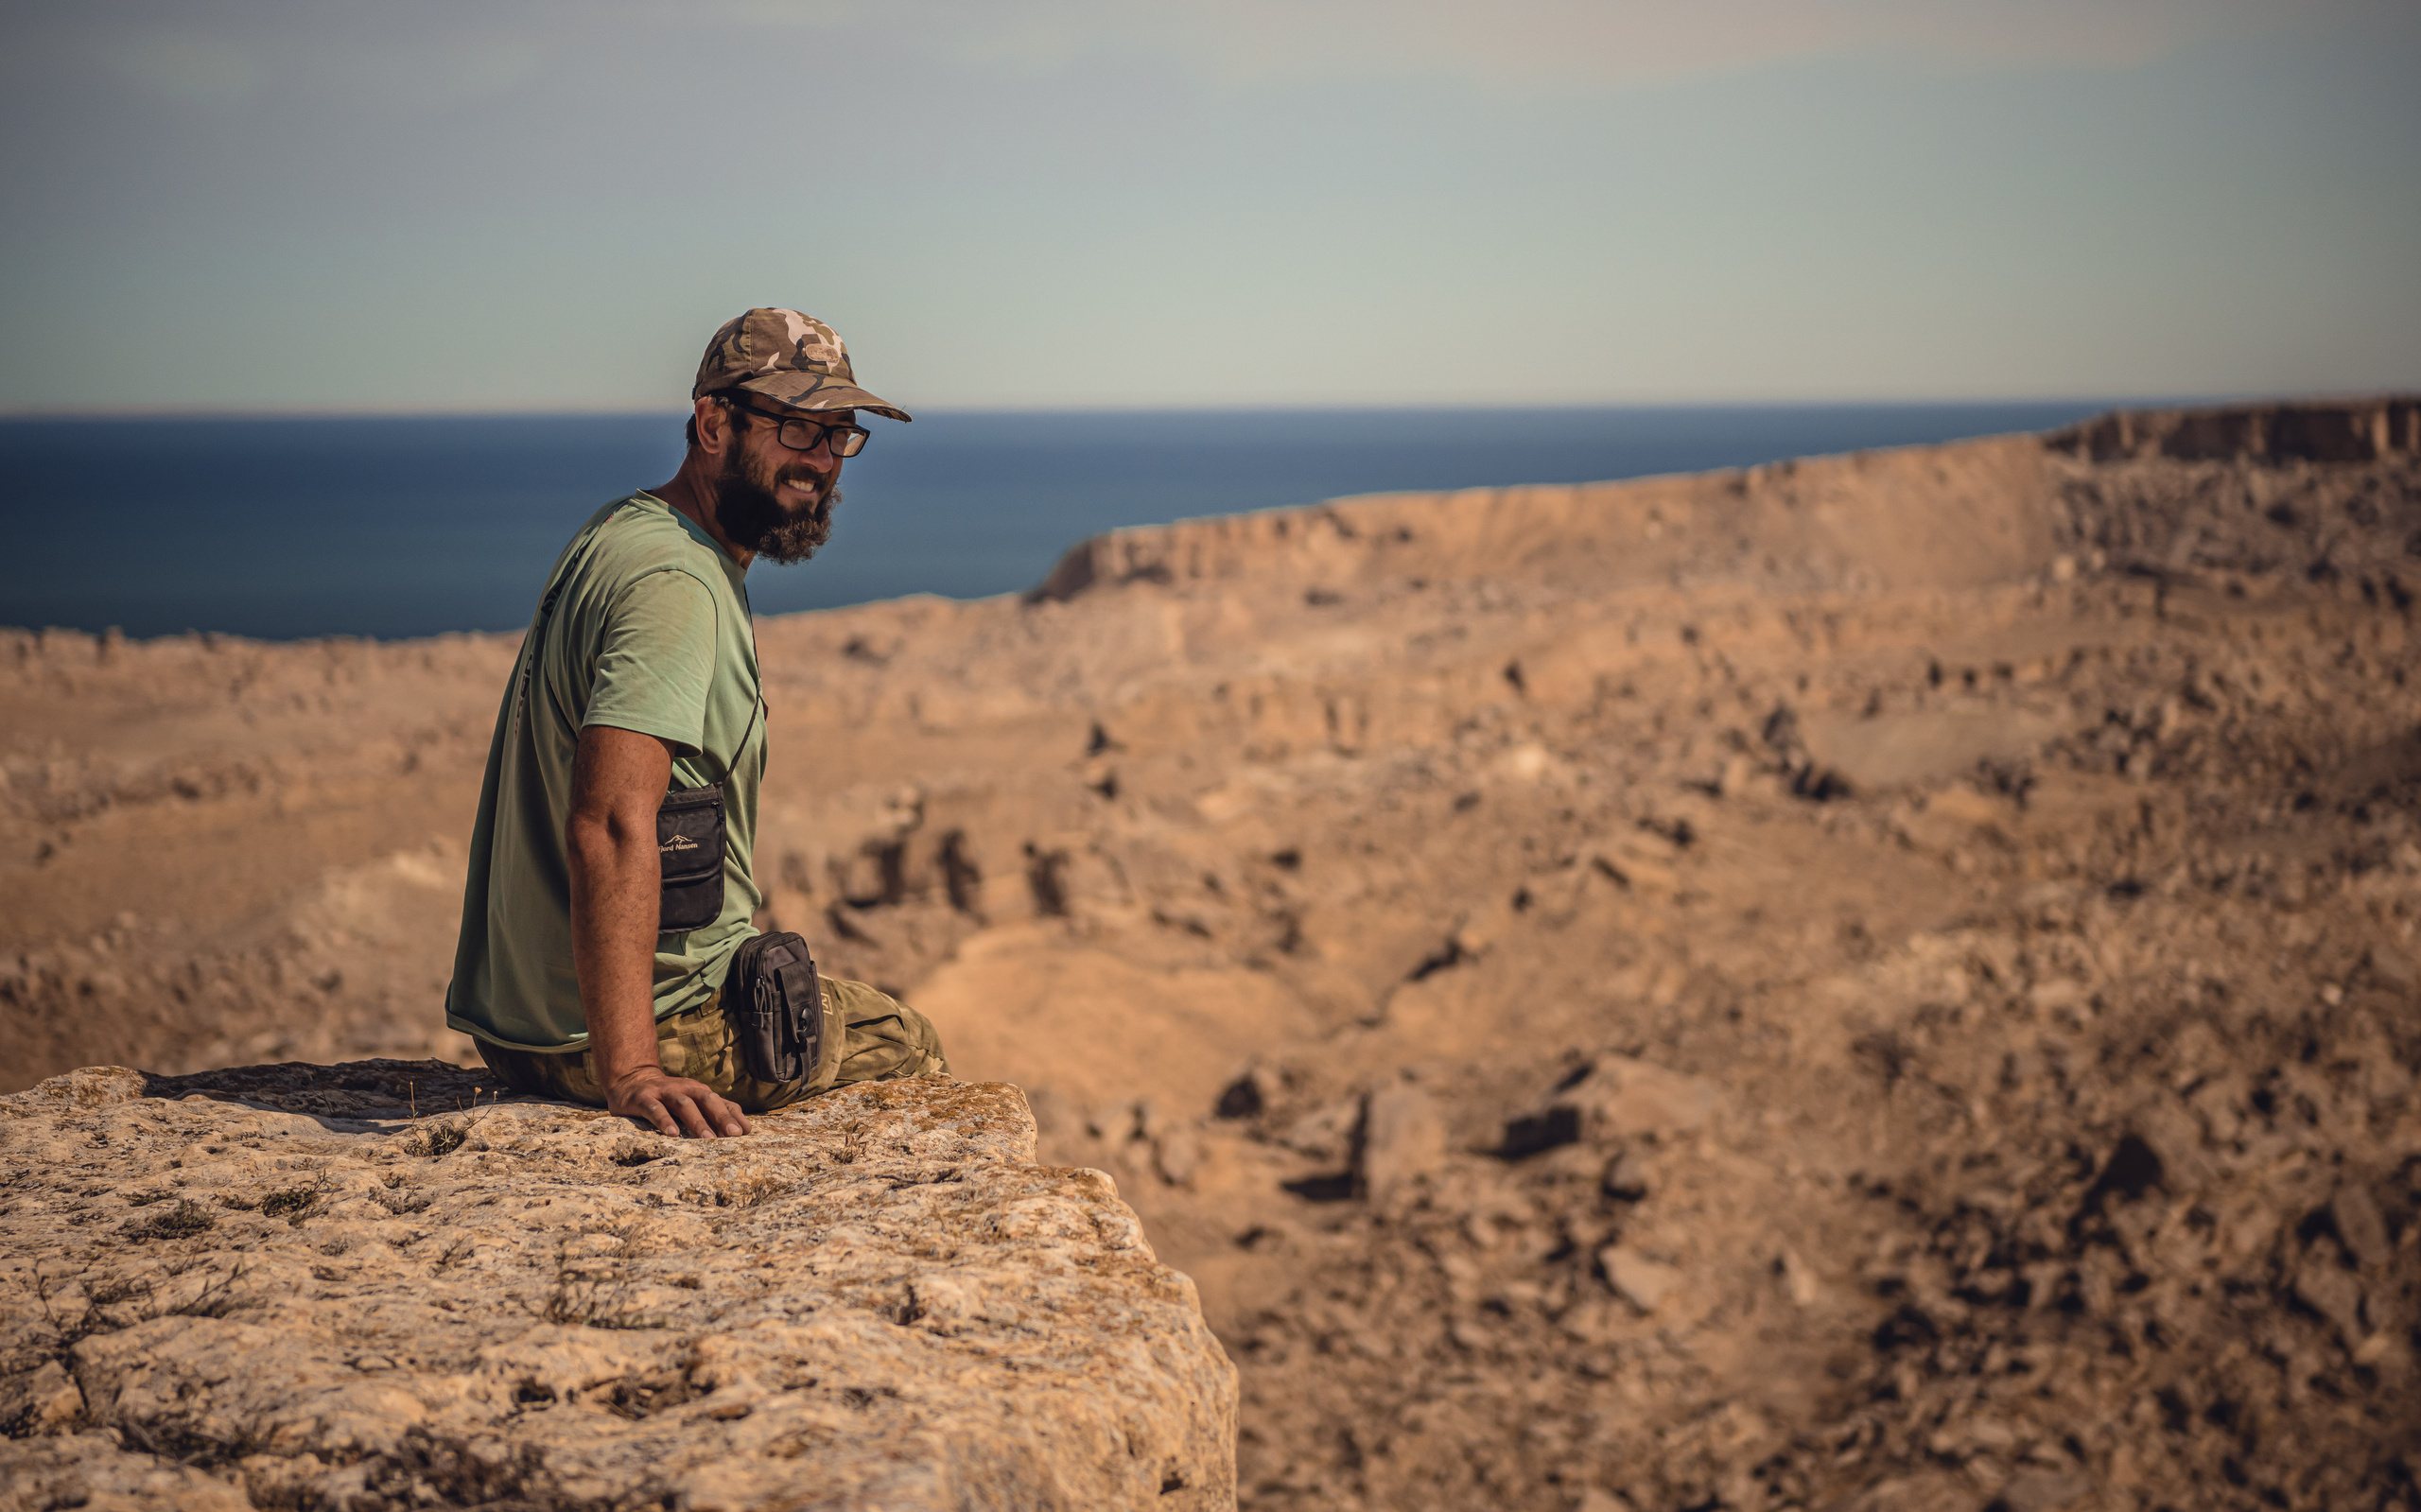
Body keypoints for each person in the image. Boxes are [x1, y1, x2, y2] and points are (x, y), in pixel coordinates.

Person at [444, 308, 949, 1138]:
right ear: (713, 423)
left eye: (837, 437)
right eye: (794, 428)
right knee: (906, 1044)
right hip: (641, 1027)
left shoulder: (624, 531)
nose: (819, 462)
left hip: (520, 1029)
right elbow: (608, 821)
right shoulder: (678, 583)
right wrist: (634, 1069)